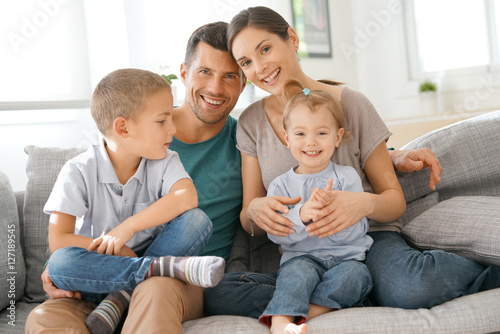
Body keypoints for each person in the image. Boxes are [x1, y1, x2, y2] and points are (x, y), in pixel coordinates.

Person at [204, 6, 500, 319]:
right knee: (220, 296)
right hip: (304, 252)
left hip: (368, 239)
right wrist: (255, 211)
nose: (260, 67)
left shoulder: (352, 103)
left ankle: (361, 289)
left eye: (265, 49)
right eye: (246, 62)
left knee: (410, 286)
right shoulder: (251, 122)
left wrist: (360, 205)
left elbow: (393, 202)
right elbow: (250, 222)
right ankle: (348, 294)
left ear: (291, 38)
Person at [26, 22, 245, 334]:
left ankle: (131, 287)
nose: (215, 87)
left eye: (230, 76)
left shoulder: (244, 142)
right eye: (205, 72)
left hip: (174, 281)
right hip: (106, 272)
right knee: (46, 312)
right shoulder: (142, 136)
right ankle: (127, 286)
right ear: (184, 72)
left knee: (164, 275)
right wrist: (74, 265)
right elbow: (60, 242)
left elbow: (306, 113)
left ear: (243, 81)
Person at [259, 80, 375, 334]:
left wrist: (334, 214)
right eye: (300, 134)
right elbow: (274, 233)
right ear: (287, 138)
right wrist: (302, 214)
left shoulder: (347, 178)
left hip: (346, 260)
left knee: (359, 277)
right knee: (296, 274)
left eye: (321, 133)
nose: (311, 142)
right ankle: (280, 321)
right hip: (302, 259)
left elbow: (358, 232)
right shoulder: (280, 186)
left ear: (337, 137)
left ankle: (308, 312)